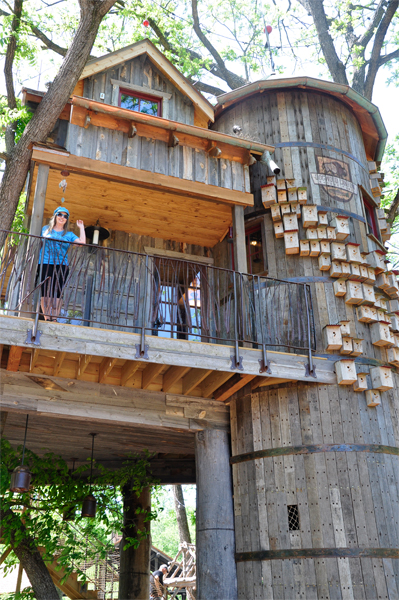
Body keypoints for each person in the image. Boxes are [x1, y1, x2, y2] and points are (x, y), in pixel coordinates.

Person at [37, 206, 85, 321]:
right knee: (45, 291)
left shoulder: (69, 235)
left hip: (61, 265)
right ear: (55, 216)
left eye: (65, 216)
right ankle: (47, 317)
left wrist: (81, 227)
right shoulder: (45, 229)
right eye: (60, 214)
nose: (62, 217)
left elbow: (82, 242)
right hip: (45, 262)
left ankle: (54, 319)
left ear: (66, 219)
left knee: (57, 292)